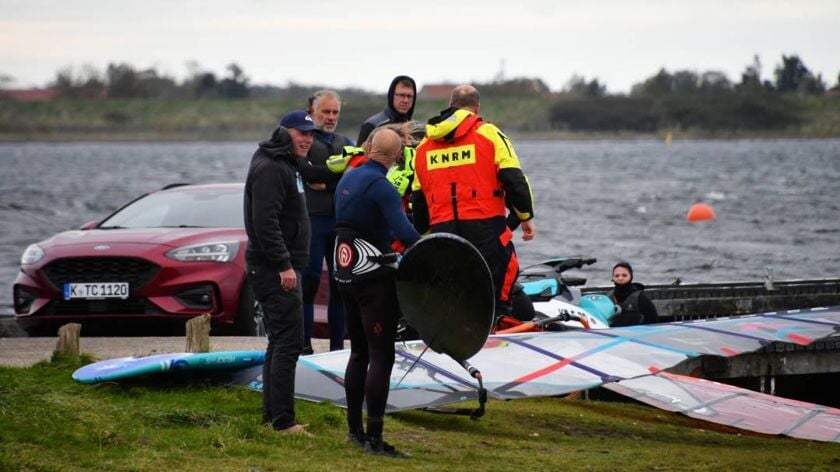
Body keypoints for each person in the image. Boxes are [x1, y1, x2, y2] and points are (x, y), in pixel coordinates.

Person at [411, 84, 536, 317]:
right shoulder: (489, 133)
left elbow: (418, 199)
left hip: (444, 231)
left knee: (456, 293)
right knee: (499, 287)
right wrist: (525, 217)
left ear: (450, 106)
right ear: (476, 108)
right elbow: (514, 180)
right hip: (486, 228)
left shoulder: (423, 147)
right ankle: (496, 333)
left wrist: (428, 233)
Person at [334, 128, 421, 457]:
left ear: (369, 147)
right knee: (381, 356)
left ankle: (354, 431)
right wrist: (435, 251)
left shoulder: (347, 178)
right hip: (373, 280)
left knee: (358, 353)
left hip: (343, 274)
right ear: (398, 156)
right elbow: (404, 232)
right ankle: (375, 439)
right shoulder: (382, 187)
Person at [243, 110, 315, 434]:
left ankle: (273, 418)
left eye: (311, 134)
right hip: (274, 268)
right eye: (302, 133)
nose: (308, 139)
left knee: (281, 341)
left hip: (282, 266)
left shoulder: (286, 162)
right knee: (289, 343)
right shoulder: (271, 167)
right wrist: (284, 264)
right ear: (285, 132)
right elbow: (265, 222)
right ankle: (283, 422)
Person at [298, 91, 355, 353]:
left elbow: (353, 175)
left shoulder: (345, 141)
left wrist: (327, 182)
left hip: (339, 223)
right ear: (314, 112)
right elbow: (306, 171)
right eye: (326, 112)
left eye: (335, 113)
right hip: (313, 221)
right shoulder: (305, 140)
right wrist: (337, 176)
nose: (331, 117)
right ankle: (305, 344)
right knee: (308, 282)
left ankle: (337, 348)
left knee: (340, 285)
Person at [356, 75, 417, 145]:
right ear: (391, 96)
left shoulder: (417, 129)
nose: (406, 100)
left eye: (409, 96)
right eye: (401, 95)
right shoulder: (372, 125)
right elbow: (359, 155)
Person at [608, 261, 660, 326]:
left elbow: (654, 322)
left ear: (631, 277)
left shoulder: (640, 298)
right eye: (616, 276)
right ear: (612, 278)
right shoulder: (608, 297)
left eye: (624, 275)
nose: (620, 278)